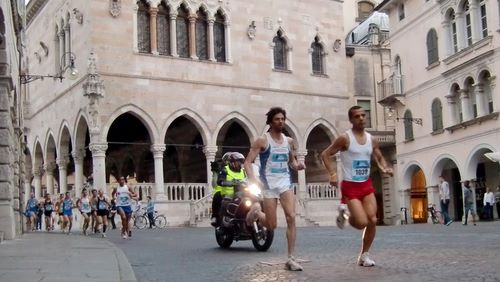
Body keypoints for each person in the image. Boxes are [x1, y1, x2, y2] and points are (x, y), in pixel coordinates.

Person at [320, 105, 393, 267]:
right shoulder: (345, 139)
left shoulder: (371, 139)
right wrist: (332, 174)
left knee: (373, 219)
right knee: (361, 223)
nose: (361, 118)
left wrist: (385, 168)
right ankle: (345, 213)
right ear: (351, 120)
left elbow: (379, 158)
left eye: (363, 115)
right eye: (357, 116)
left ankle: (364, 255)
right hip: (350, 187)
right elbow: (325, 154)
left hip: (366, 185)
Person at [244, 107, 306, 271]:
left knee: (291, 217)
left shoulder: (289, 141)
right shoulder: (262, 140)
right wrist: (254, 180)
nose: (281, 122)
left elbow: (291, 162)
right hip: (269, 185)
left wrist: (298, 165)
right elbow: (247, 162)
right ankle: (257, 213)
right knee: (271, 225)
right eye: (277, 119)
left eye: (283, 119)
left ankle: (291, 258)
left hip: (285, 183)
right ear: (271, 122)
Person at [211, 152, 247, 227]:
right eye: (238, 162)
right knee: (217, 196)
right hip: (228, 195)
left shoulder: (243, 171)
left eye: (241, 162)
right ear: (232, 163)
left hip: (241, 194)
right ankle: (215, 217)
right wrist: (227, 182)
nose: (240, 164)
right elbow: (219, 181)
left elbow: (248, 179)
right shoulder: (224, 170)